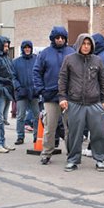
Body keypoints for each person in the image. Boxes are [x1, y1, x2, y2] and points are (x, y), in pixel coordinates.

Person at [58, 34, 104, 172]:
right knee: (74, 133)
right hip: (75, 103)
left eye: (88, 44)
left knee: (99, 132)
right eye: (84, 43)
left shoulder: (97, 60)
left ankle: (99, 159)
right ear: (79, 44)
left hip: (95, 103)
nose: (86, 46)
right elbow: (63, 80)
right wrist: (62, 98)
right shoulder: (69, 59)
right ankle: (72, 160)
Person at [33, 26, 75, 165]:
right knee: (50, 127)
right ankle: (46, 153)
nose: (60, 40)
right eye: (57, 37)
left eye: (62, 37)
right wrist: (41, 90)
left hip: (68, 96)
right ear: (52, 38)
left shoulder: (72, 52)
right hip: (50, 96)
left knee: (70, 127)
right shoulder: (44, 54)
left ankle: (71, 153)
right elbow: (36, 72)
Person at [12, 40, 39, 145]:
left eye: (29, 47)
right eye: (25, 47)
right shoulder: (16, 62)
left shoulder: (37, 60)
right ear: (22, 49)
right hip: (21, 92)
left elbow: (39, 74)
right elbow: (13, 77)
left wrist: (37, 87)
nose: (27, 49)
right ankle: (20, 136)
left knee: (37, 115)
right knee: (20, 116)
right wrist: (18, 88)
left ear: (31, 48)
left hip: (34, 92)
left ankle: (37, 136)